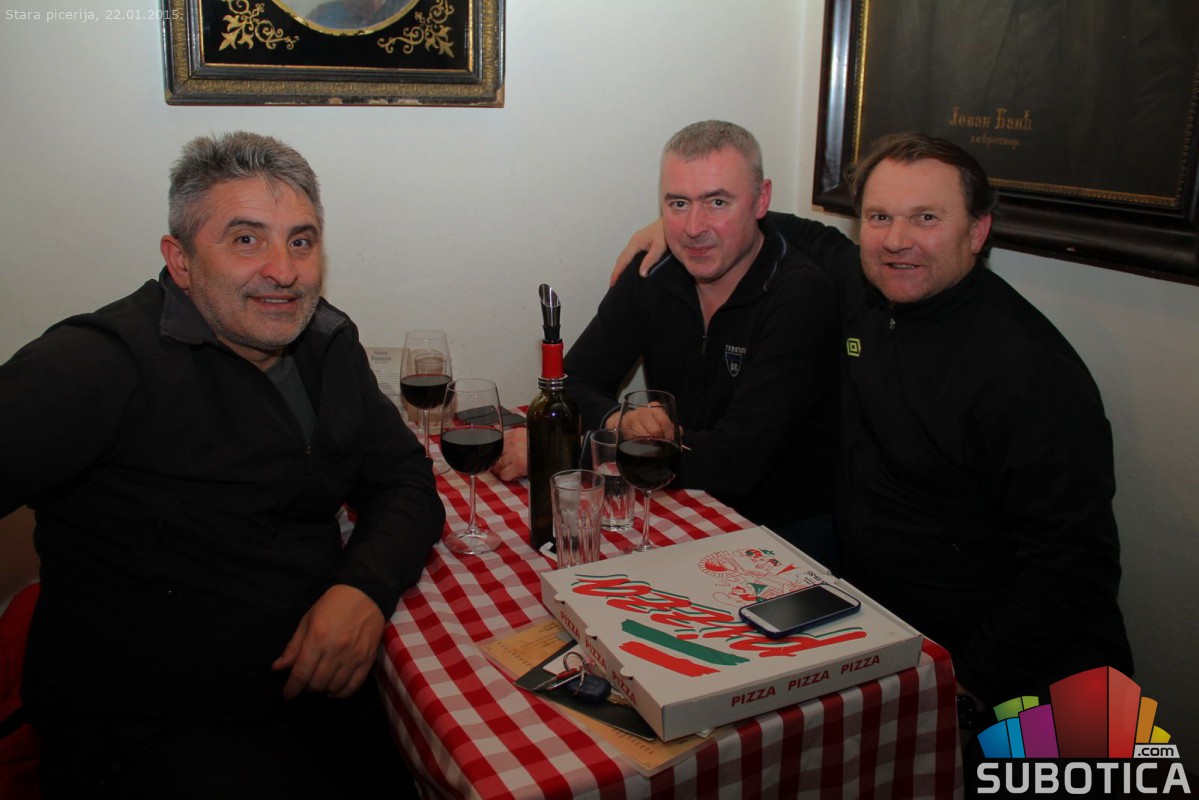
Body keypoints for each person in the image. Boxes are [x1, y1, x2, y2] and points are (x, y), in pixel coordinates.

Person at [613, 132, 1134, 712]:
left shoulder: (1028, 370)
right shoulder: (867, 286)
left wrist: (969, 686)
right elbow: (780, 224)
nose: (897, 239)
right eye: (880, 217)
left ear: (977, 230)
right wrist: (687, 227)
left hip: (1032, 682)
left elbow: (1072, 568)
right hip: (887, 626)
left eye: (926, 218)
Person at [0, 131, 445, 797]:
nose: (283, 271)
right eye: (246, 239)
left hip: (313, 695)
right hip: (150, 730)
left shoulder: (325, 341)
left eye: (301, 241)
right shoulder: (101, 362)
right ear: (179, 260)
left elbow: (404, 480)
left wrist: (362, 589)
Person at [494, 120, 839, 554]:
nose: (694, 227)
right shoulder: (654, 272)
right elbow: (570, 382)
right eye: (678, 203)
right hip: (672, 503)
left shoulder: (800, 296)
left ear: (761, 199)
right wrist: (618, 421)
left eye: (717, 202)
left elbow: (735, 463)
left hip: (779, 533)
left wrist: (569, 453)